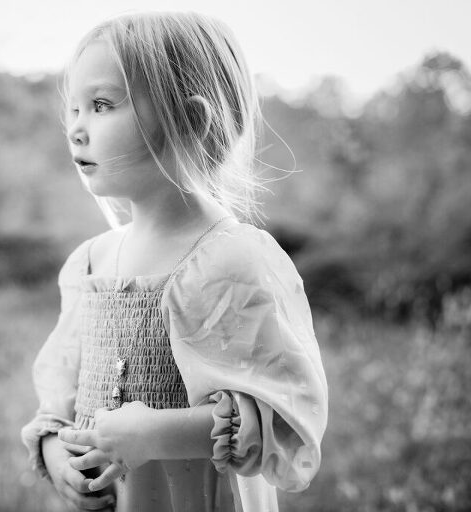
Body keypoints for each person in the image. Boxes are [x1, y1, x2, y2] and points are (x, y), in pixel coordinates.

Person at [20, 11, 328, 512]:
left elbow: (283, 415)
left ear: (190, 121)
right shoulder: (90, 263)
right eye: (73, 109)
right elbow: (61, 393)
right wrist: (56, 452)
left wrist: (154, 432)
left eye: (101, 105)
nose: (76, 128)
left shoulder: (229, 259)